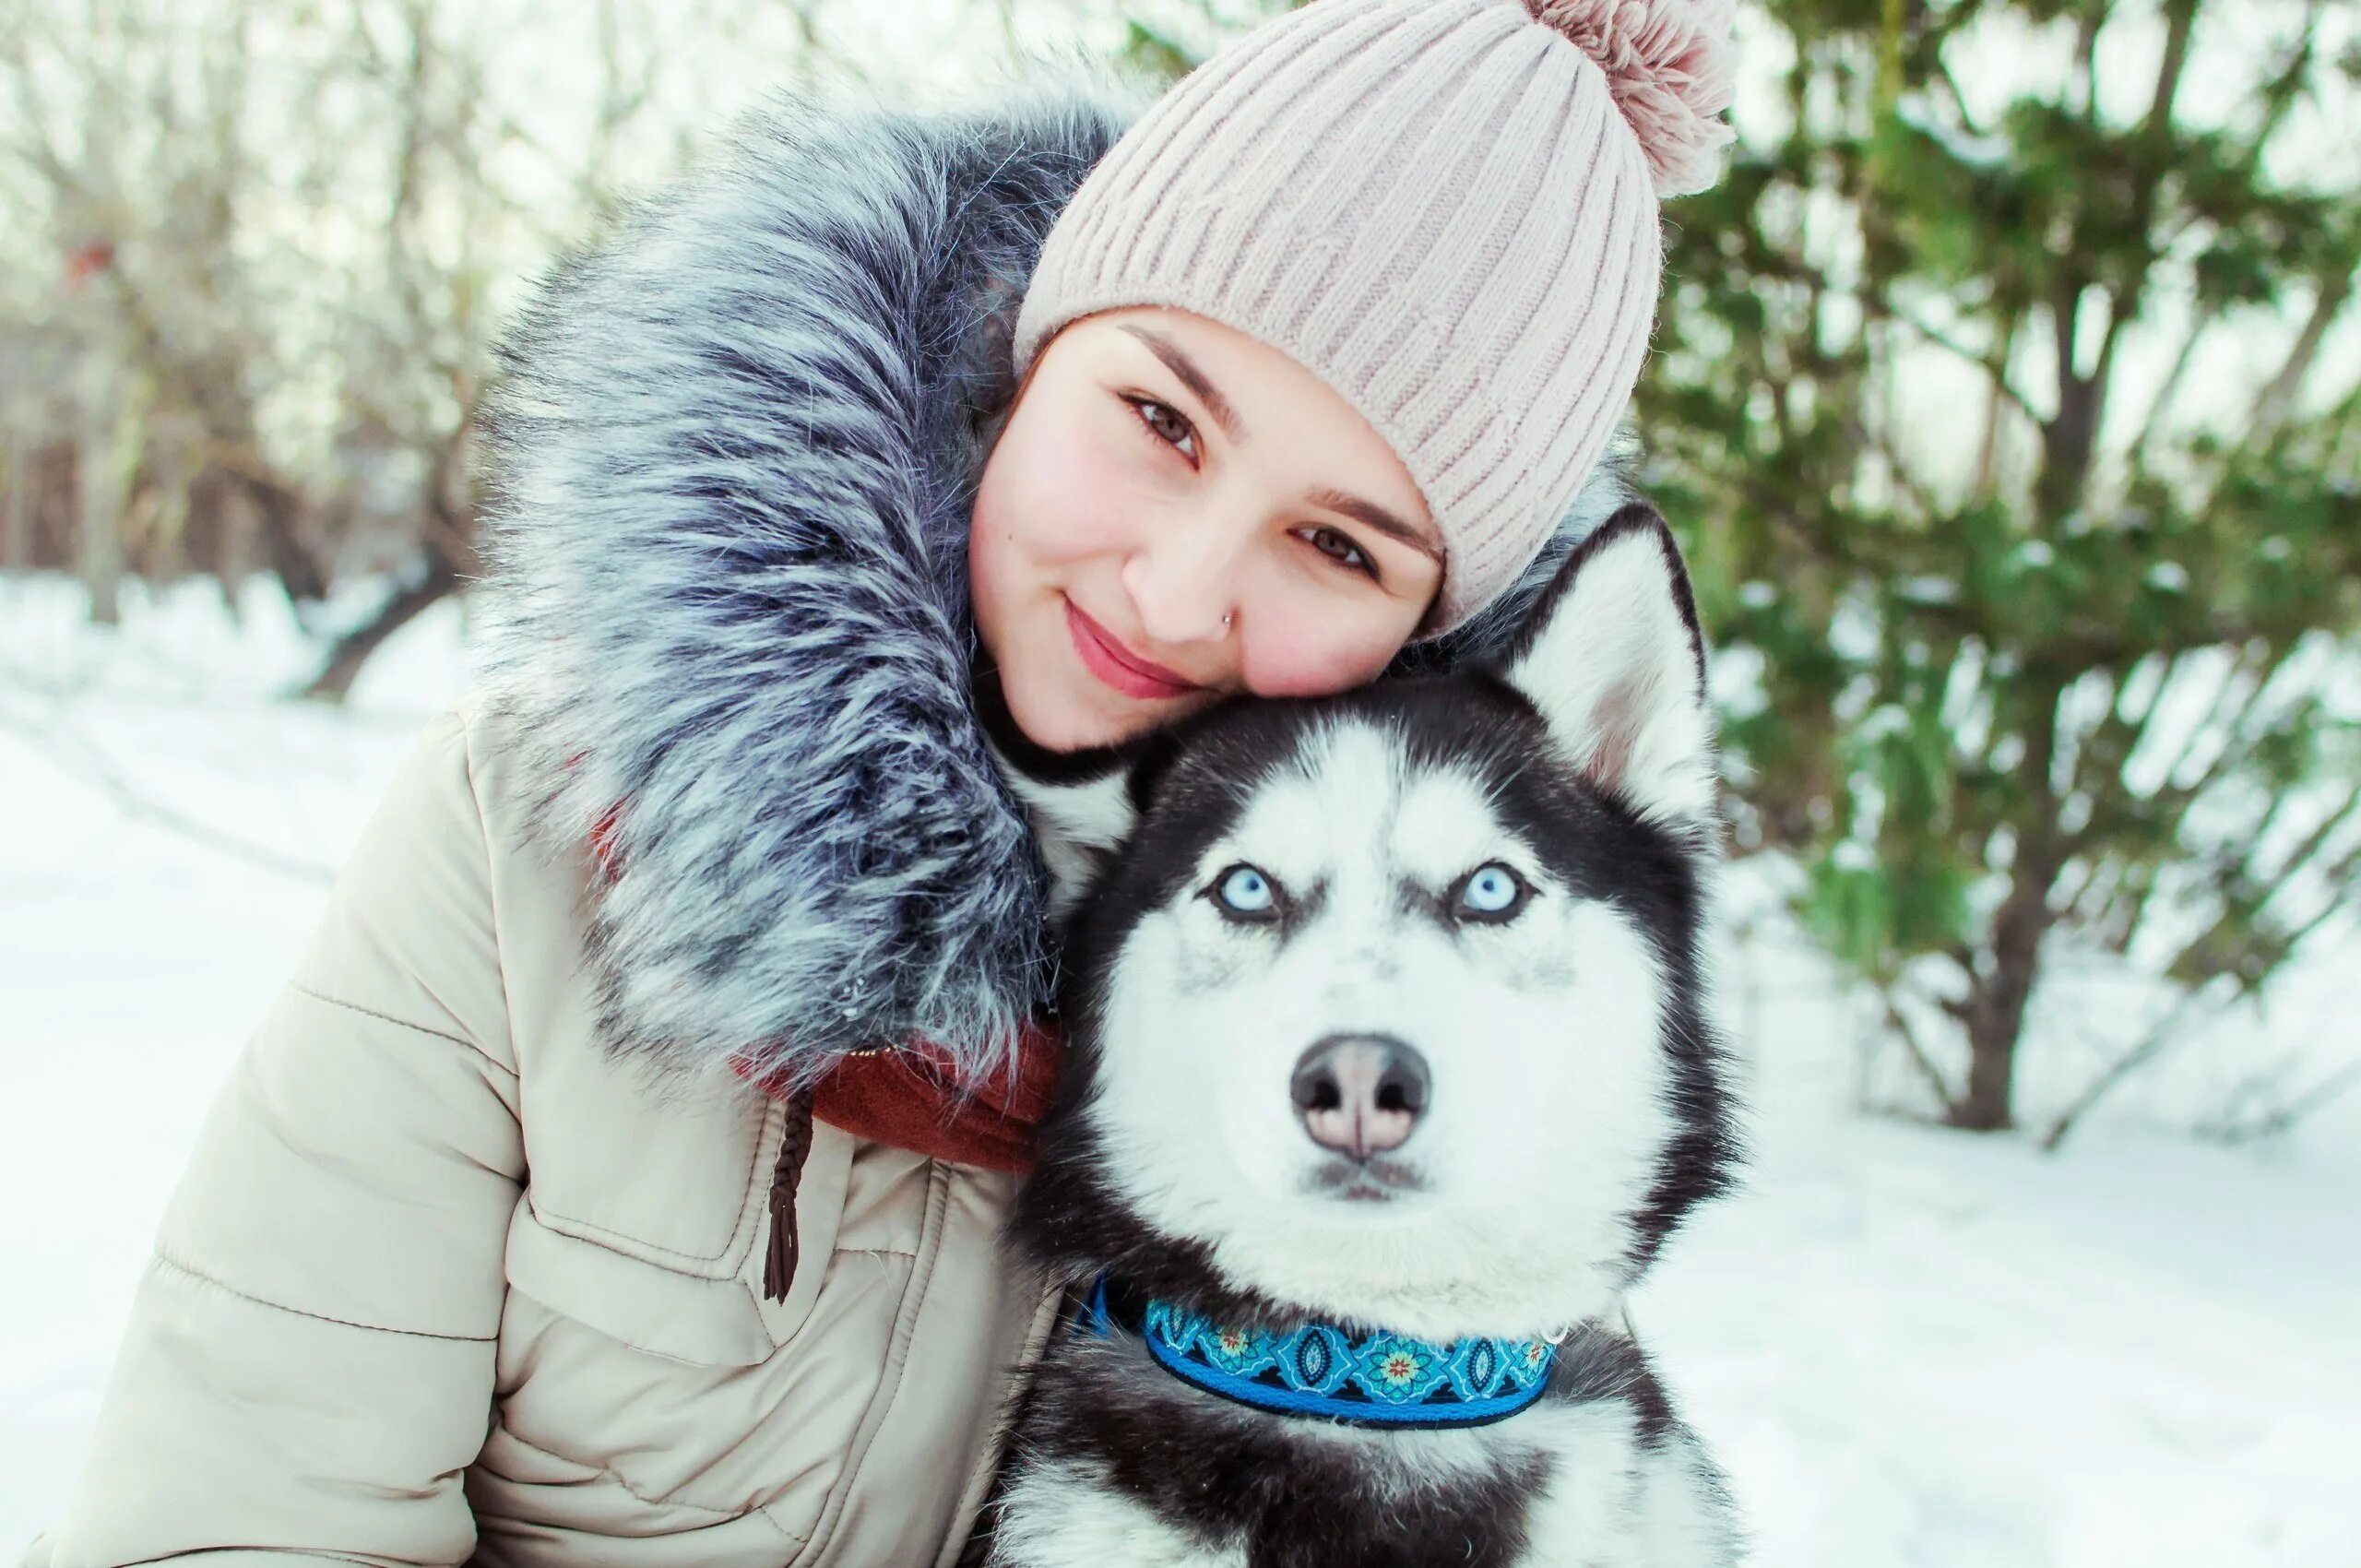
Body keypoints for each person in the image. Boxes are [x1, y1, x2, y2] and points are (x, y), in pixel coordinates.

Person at [24, 0, 1736, 1562]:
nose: (1175, 593)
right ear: (1023, 357)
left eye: (1338, 545)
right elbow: (235, 1520)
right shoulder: (519, 847)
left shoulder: (1438, 1046)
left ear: (1425, 632)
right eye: (1161, 421)